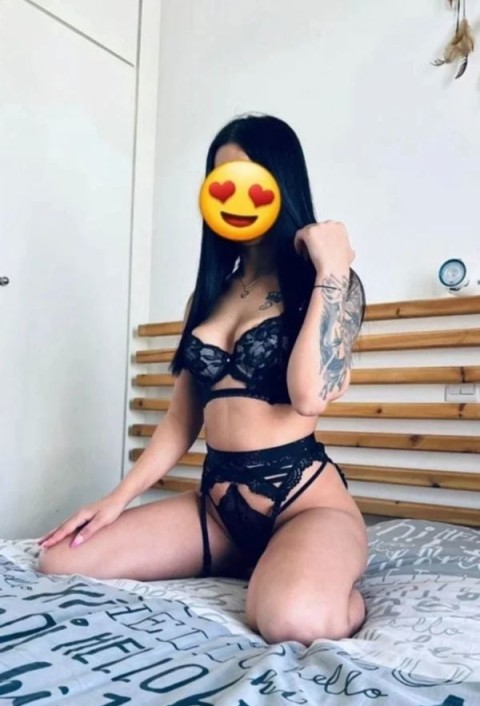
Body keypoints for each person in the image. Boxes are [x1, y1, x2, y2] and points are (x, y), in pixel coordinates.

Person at [37, 114, 368, 647]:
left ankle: (320, 577)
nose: (233, 195)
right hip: (216, 510)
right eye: (220, 181)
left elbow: (309, 396)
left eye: (247, 179)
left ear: (280, 182)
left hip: (304, 502)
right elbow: (180, 420)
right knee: (59, 560)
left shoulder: (329, 286)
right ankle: (257, 561)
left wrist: (333, 268)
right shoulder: (208, 295)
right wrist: (117, 499)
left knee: (292, 622)